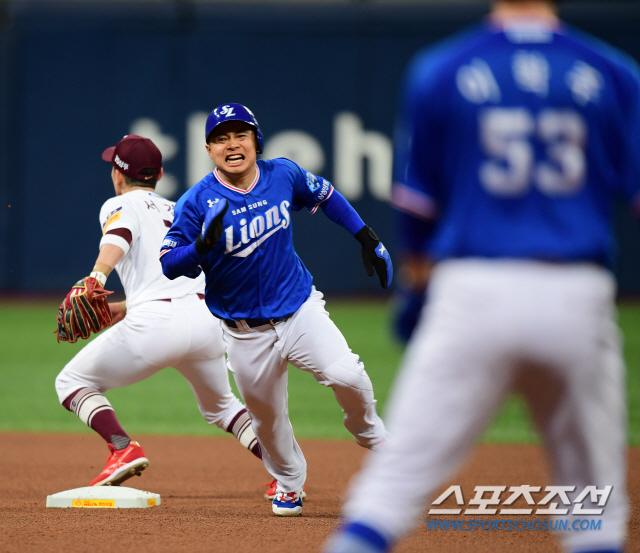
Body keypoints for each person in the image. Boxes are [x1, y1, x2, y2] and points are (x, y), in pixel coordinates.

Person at [323, 0, 640, 551]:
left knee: (388, 494)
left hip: (472, 290)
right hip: (577, 294)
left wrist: (417, 293)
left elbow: (417, 210)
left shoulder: (443, 69)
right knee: (594, 511)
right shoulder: (612, 71)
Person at [159, 103, 393, 516]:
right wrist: (200, 249)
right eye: (221, 138)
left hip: (299, 310)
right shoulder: (195, 202)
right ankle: (289, 483)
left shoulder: (282, 173)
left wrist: (366, 236)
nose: (232, 144)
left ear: (255, 141)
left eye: (240, 135)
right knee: (266, 423)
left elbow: (327, 196)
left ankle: (372, 435)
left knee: (347, 373)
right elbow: (169, 262)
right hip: (244, 331)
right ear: (210, 150)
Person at [55, 134, 261, 487]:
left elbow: (118, 234)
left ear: (119, 175)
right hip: (207, 323)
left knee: (72, 382)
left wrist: (96, 276)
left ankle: (122, 448)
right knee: (222, 407)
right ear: (159, 174)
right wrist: (125, 305)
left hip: (156, 326)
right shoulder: (181, 208)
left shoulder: (119, 203)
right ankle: (285, 471)